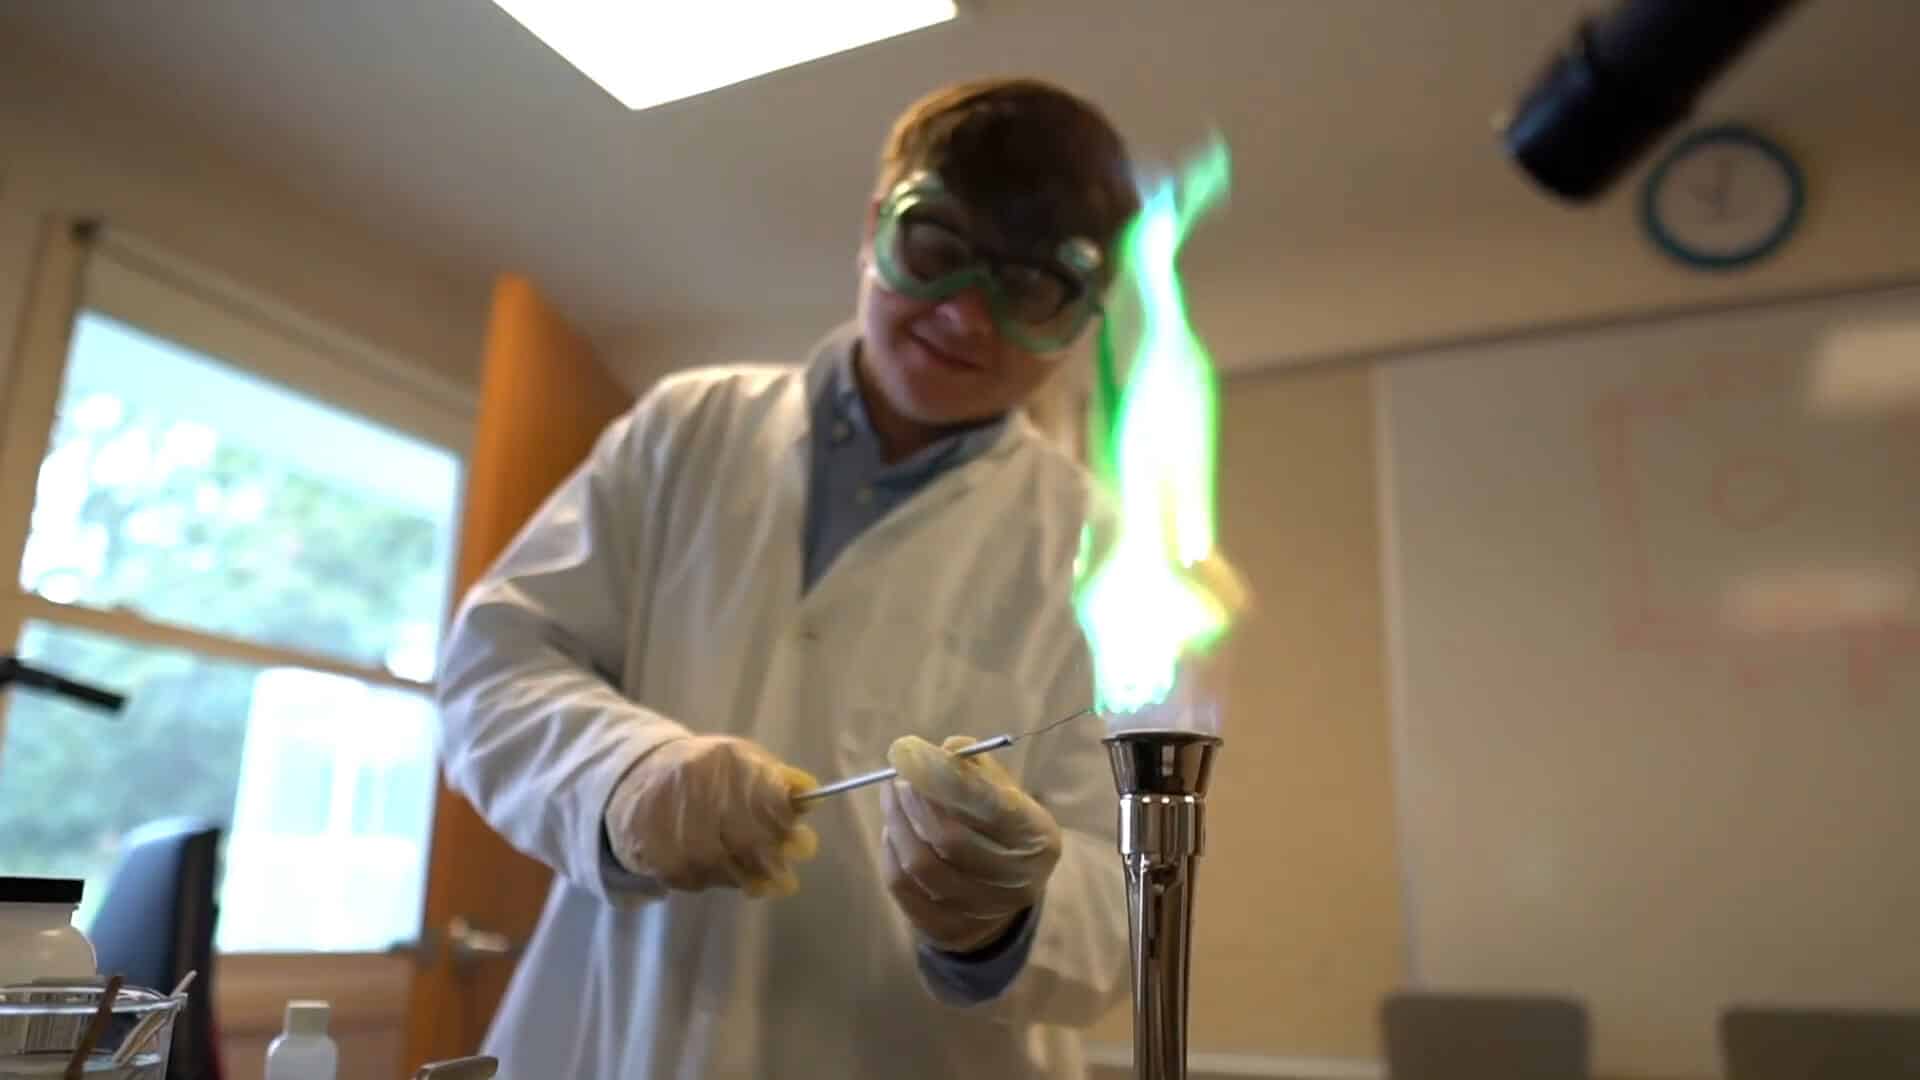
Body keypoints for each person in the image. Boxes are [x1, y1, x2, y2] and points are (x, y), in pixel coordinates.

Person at [435, 76, 1141, 1080]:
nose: (966, 320)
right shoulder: (689, 429)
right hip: (625, 1041)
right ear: (875, 228)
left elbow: (1125, 897)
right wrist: (621, 774)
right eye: (938, 251)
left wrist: (1006, 918)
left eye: (1027, 289)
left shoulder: (1097, 551)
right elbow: (493, 667)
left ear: (1077, 319)